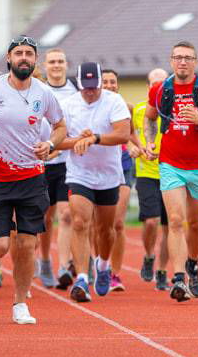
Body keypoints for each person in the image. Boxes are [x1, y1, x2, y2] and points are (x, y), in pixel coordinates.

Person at [0, 35, 66, 324]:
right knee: (0, 246)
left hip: (31, 176)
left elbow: (60, 125)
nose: (24, 58)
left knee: (27, 244)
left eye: (29, 54)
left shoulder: (44, 93)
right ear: (8, 58)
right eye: (18, 53)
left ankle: (20, 304)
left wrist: (51, 145)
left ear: (35, 60)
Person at [143, 41, 198, 302]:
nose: (182, 62)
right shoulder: (161, 89)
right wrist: (150, 141)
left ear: (195, 61)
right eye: (178, 57)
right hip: (171, 165)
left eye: (187, 58)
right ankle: (178, 278)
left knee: (194, 223)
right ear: (171, 61)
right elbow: (149, 117)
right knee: (176, 221)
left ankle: (193, 264)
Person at [55, 63, 131, 302]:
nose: (90, 91)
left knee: (106, 230)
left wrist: (95, 138)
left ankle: (104, 265)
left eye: (94, 87)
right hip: (80, 174)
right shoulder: (67, 105)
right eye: (86, 87)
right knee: (79, 222)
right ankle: (81, 279)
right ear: (78, 84)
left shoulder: (113, 101)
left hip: (109, 174)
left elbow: (122, 134)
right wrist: (78, 141)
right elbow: (57, 140)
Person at [37, 48, 78, 289]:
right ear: (44, 65)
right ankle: (44, 261)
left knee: (66, 214)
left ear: (66, 64)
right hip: (42, 162)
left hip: (66, 163)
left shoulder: (75, 90)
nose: (56, 65)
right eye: (52, 61)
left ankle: (63, 266)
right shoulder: (39, 90)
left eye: (60, 61)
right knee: (44, 217)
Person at [130, 68, 171, 291]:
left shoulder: (176, 110)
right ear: (148, 87)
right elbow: (127, 135)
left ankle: (163, 270)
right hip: (147, 172)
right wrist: (134, 148)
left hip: (171, 172)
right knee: (151, 221)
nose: (159, 87)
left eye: (163, 83)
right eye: (155, 83)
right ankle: (148, 256)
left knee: (169, 226)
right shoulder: (138, 110)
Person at [99, 68, 137, 292]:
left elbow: (131, 134)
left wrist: (139, 147)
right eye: (106, 82)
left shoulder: (126, 107)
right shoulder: (90, 107)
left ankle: (115, 273)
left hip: (122, 164)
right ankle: (100, 264)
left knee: (118, 223)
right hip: (99, 165)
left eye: (113, 82)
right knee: (100, 224)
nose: (110, 85)